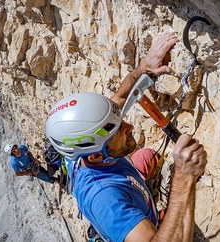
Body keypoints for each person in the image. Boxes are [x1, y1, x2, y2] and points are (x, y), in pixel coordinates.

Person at [45, 32, 207, 242]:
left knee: (148, 156)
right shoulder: (105, 198)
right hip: (135, 224)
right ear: (96, 157)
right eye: (118, 130)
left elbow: (120, 98)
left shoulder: (91, 141)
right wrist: (184, 177)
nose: (129, 126)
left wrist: (142, 69)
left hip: (124, 184)